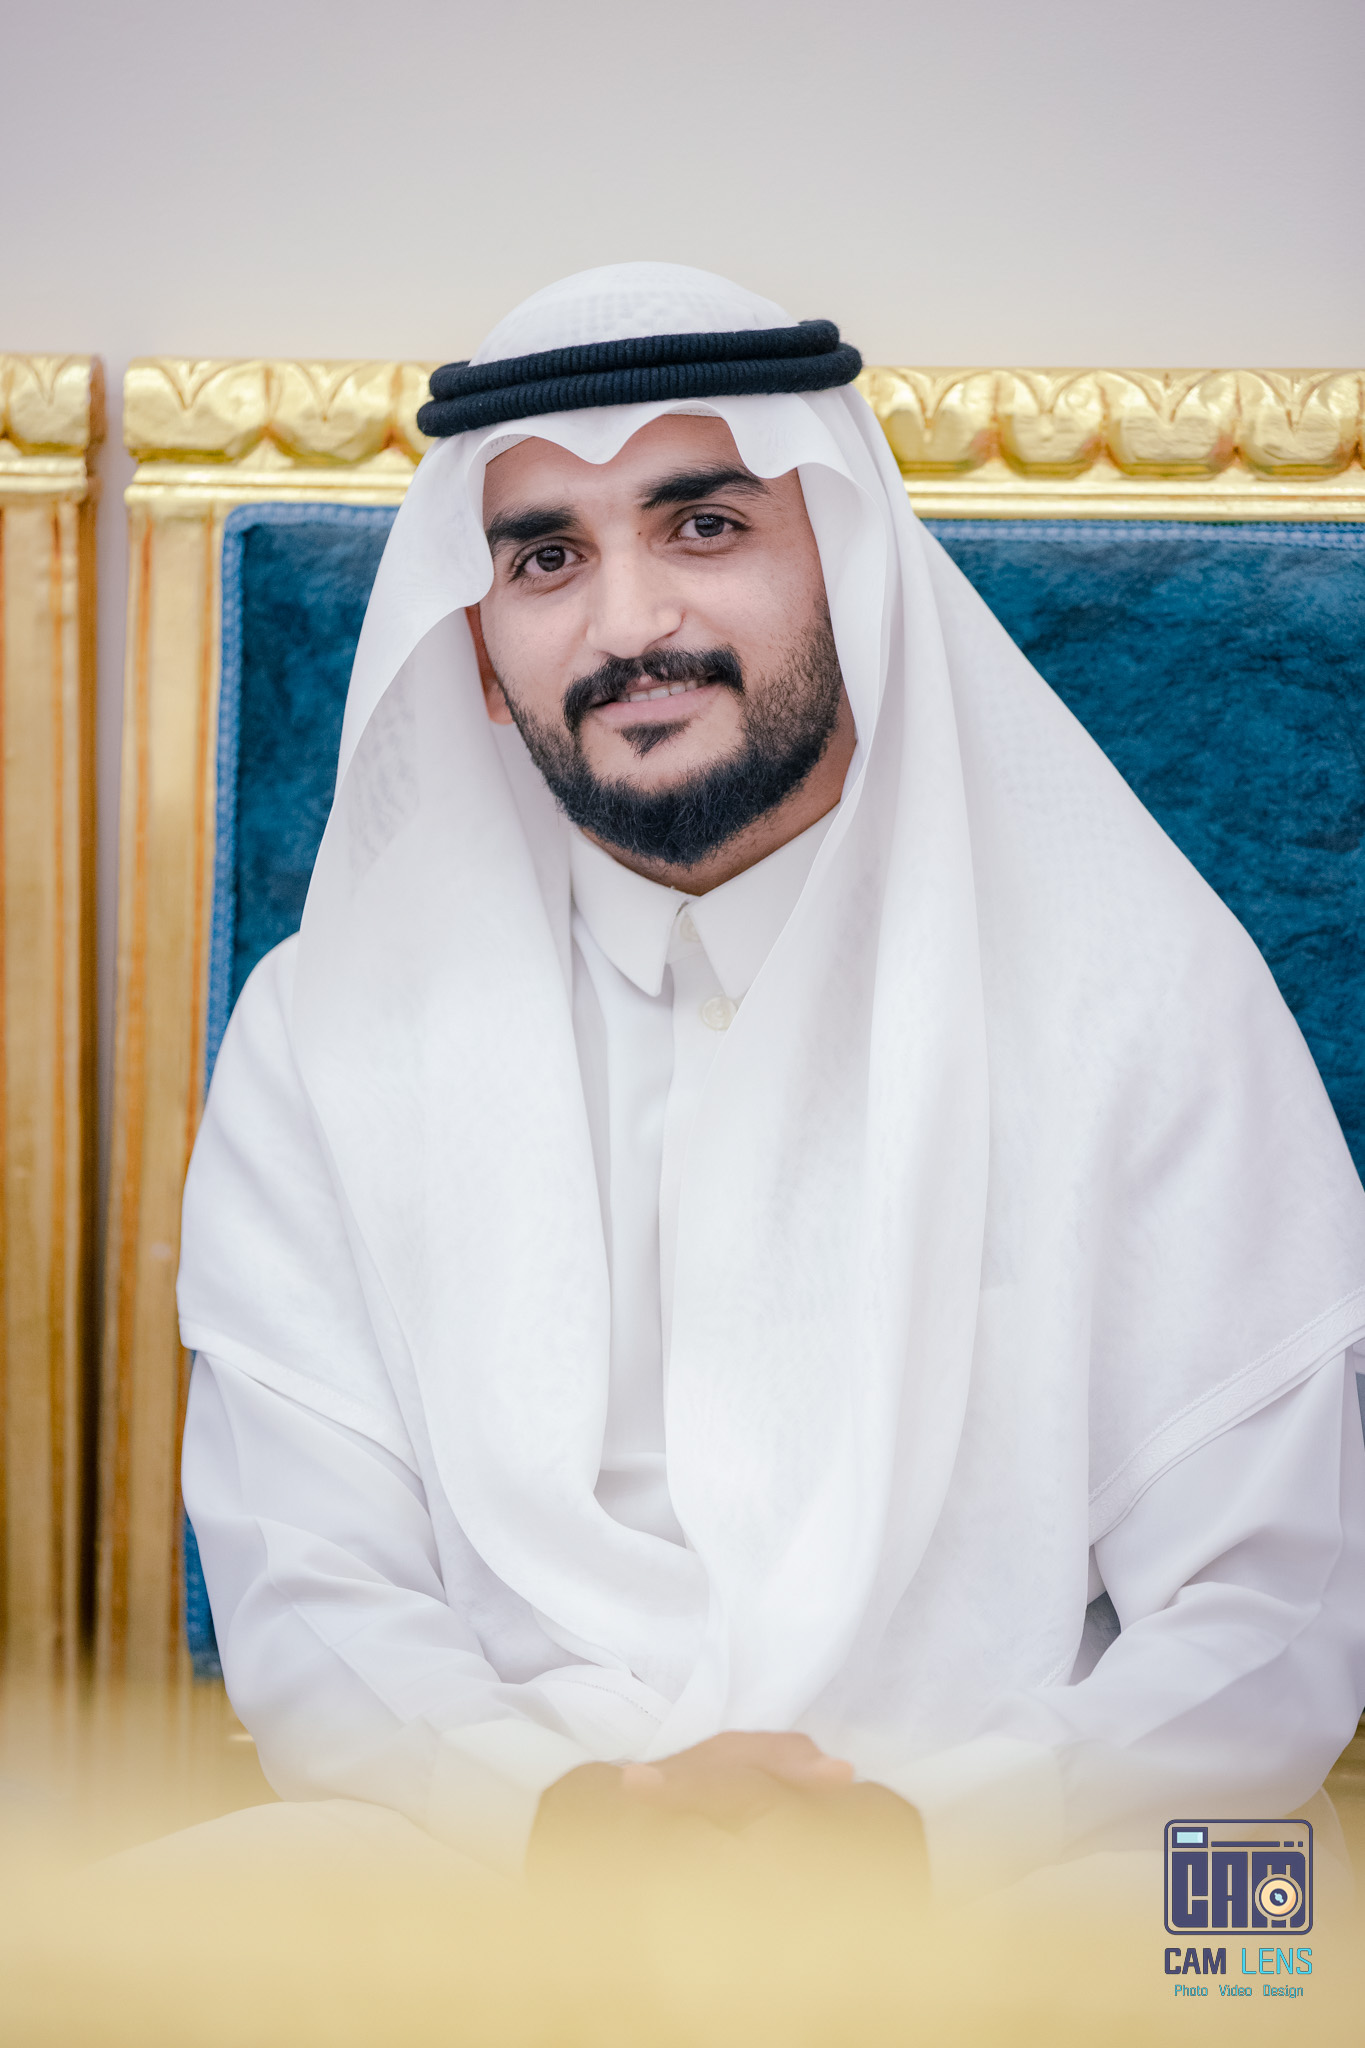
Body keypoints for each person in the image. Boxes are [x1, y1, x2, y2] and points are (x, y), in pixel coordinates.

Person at [178, 262, 1365, 1898]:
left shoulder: (1132, 994)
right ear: (477, 652)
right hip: (507, 1861)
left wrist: (920, 1842)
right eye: (545, 559)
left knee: (1253, 1939)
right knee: (168, 1928)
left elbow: (1270, 1614)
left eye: (705, 526)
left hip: (1017, 1862)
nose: (628, 627)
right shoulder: (326, 1036)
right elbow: (314, 1599)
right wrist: (564, 1822)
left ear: (851, 571)